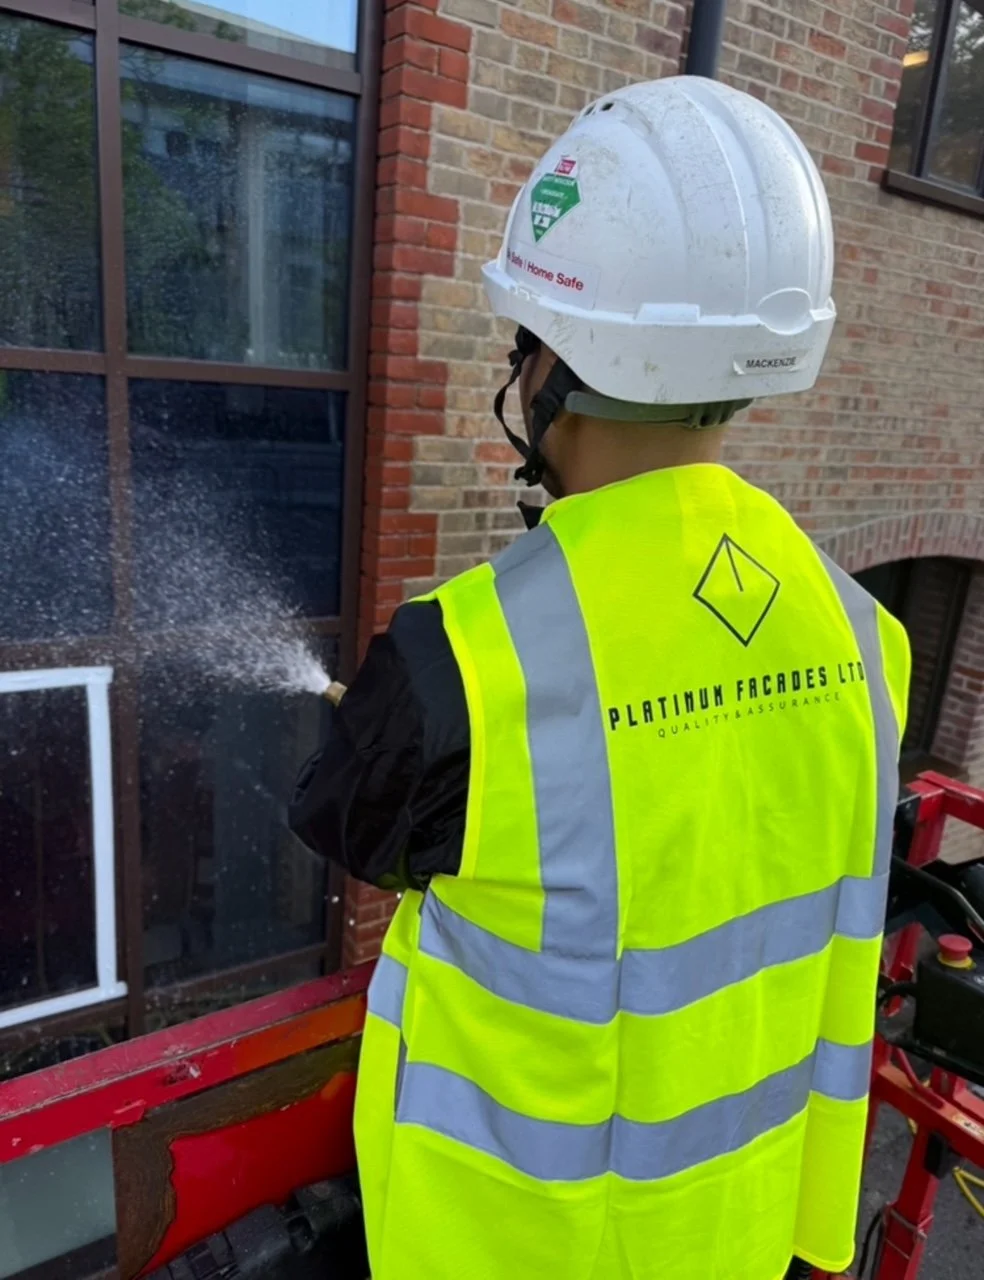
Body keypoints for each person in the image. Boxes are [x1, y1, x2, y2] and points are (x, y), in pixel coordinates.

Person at [290, 76, 910, 1280]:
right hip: (742, 1236)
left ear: (550, 367)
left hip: (512, 1245)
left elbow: (346, 818)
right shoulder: (863, 632)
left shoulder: (462, 658)